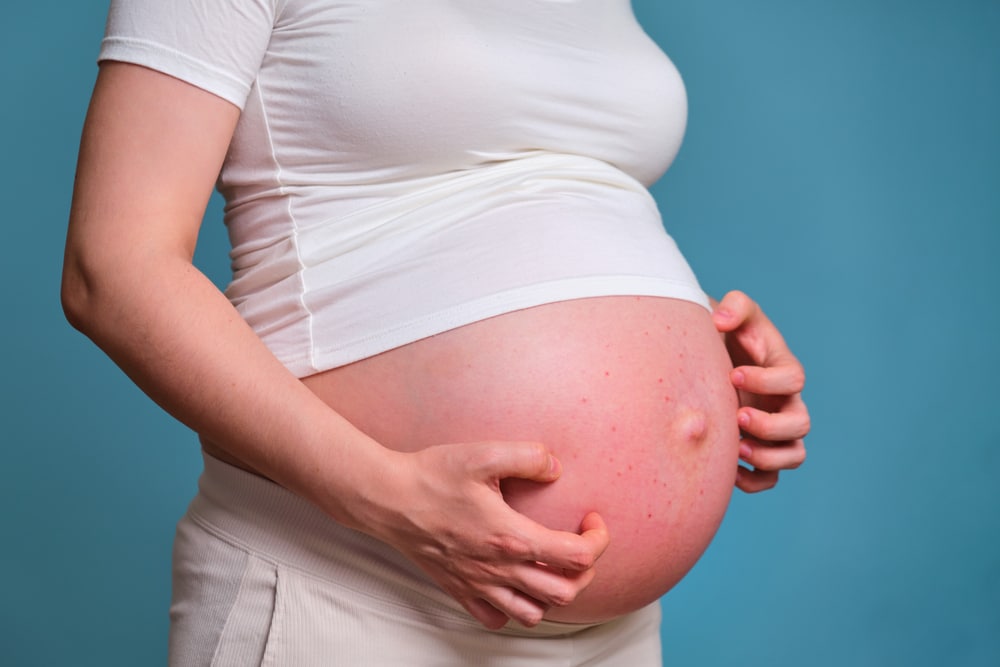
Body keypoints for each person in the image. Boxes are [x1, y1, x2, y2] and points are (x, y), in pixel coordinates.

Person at [62, 1, 809, 665]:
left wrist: (701, 344)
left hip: (611, 632)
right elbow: (113, 268)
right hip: (351, 590)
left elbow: (528, 194)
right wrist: (387, 496)